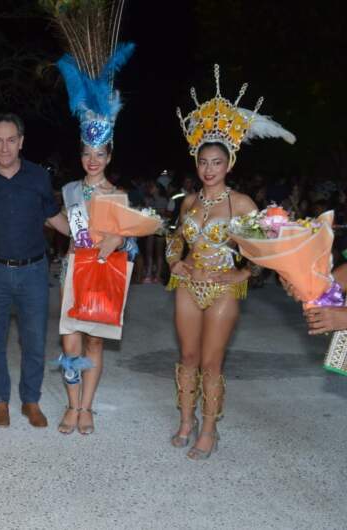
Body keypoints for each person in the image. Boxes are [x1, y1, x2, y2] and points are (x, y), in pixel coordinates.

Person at [167, 65, 294, 459]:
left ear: (229, 164)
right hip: (188, 285)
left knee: (210, 360)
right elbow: (174, 240)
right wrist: (175, 262)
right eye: (203, 162)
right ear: (197, 163)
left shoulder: (242, 204)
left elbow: (263, 252)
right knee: (187, 356)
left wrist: (241, 271)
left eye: (216, 163)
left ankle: (209, 429)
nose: (209, 169)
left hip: (224, 289)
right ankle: (186, 421)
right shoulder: (187, 202)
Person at [48, 6, 136, 435]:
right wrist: (49, 219)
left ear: (109, 155)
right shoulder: (69, 191)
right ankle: (70, 402)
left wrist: (119, 240)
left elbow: (133, 242)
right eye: (86, 153)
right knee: (69, 342)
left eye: (99, 154)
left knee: (95, 341)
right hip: (72, 272)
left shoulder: (119, 196)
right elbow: (68, 228)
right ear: (81, 153)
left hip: (103, 275)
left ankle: (86, 407)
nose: (92, 160)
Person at [0, 113, 66, 428]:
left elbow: (53, 218)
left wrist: (88, 237)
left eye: (11, 140)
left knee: (34, 339)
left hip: (33, 271)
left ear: (21, 142)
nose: (5, 147)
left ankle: (30, 400)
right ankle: (0, 400)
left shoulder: (39, 177)